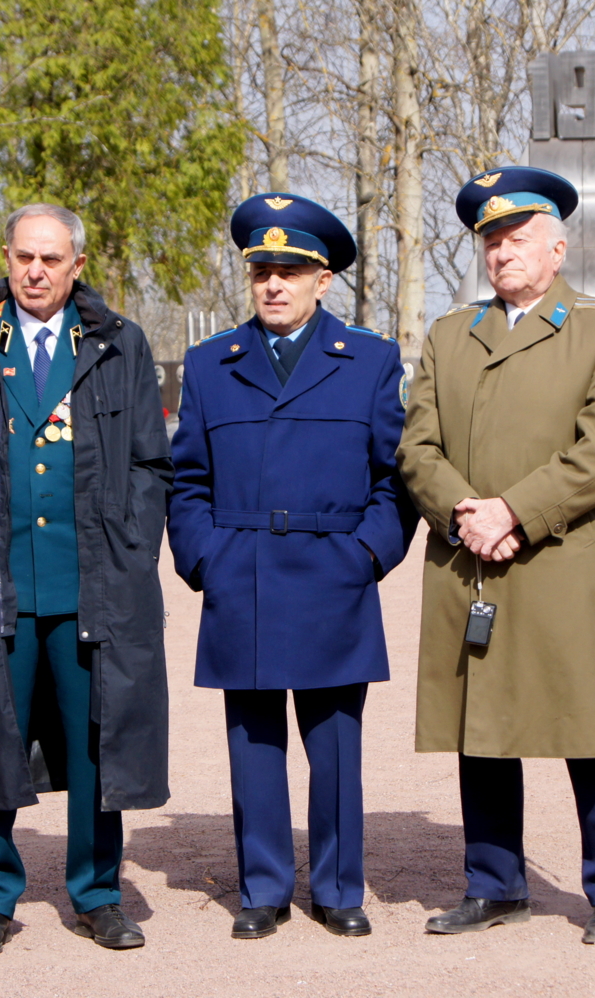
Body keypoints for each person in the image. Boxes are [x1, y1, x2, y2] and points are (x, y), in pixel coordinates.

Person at [396, 166, 595, 945]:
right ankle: (493, 882)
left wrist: (513, 511)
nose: (502, 252)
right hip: (473, 556)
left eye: (518, 238)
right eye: (491, 241)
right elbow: (417, 448)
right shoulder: (449, 334)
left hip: (565, 560)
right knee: (485, 723)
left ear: (558, 248)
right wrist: (467, 515)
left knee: (590, 726)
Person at [0, 203, 172, 957]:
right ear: (7, 257)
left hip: (93, 585)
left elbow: (152, 465)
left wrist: (132, 555)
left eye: (50, 259)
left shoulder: (120, 344)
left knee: (99, 744)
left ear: (76, 266)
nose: (34, 271)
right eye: (23, 257)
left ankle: (97, 893)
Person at [167, 193, 413, 940]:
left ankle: (339, 888)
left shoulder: (368, 359)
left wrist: (368, 555)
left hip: (333, 578)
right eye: (263, 270)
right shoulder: (213, 364)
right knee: (254, 747)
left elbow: (395, 479)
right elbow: (188, 480)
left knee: (335, 748)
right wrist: (205, 558)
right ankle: (264, 888)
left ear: (323, 279)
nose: (275, 284)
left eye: (293, 270)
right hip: (240, 576)